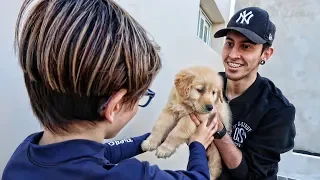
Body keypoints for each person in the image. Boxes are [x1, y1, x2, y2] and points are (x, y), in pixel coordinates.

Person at [2, 0, 219, 179]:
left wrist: (154, 138)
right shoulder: (132, 176)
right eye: (141, 96)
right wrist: (198, 145)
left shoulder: (23, 156)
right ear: (114, 106)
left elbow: (103, 152)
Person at [191, 7, 296, 180]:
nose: (233, 55)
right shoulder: (210, 85)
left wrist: (218, 130)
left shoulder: (277, 110)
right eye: (230, 43)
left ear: (266, 54)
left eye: (246, 46)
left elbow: (251, 176)